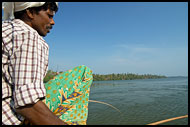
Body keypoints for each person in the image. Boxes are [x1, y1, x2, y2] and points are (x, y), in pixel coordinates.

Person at [2, 2, 93, 125]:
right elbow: (27, 104)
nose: (52, 22)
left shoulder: (6, 28)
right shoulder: (28, 36)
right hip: (9, 118)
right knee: (83, 73)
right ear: (30, 12)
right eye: (49, 16)